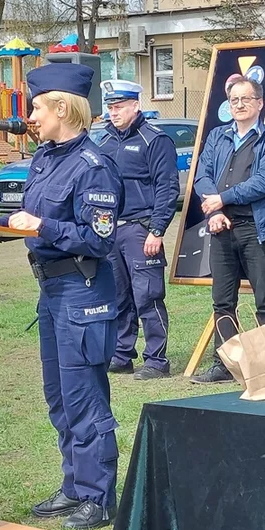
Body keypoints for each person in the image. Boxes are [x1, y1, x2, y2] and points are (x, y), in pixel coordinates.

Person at [0, 62, 123, 530]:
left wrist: (43, 226)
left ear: (63, 107)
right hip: (51, 290)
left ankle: (98, 498)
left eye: (37, 107)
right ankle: (74, 486)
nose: (31, 116)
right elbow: (31, 218)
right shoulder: (45, 159)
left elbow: (98, 239)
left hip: (82, 290)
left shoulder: (93, 167)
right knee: (58, 397)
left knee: (84, 397)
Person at [191, 76, 265, 384]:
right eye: (234, 100)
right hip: (220, 229)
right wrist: (216, 209)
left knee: (264, 301)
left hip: (255, 229)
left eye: (246, 99)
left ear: (259, 104)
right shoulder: (217, 136)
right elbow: (201, 176)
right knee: (222, 301)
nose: (240, 105)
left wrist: (224, 198)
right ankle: (226, 365)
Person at [97, 79, 179, 380]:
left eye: (119, 107)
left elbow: (167, 188)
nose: (113, 112)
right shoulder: (103, 141)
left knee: (148, 295)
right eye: (110, 107)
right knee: (117, 296)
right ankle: (122, 354)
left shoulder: (154, 140)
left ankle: (157, 359)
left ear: (135, 105)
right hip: (110, 231)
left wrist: (157, 230)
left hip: (141, 228)